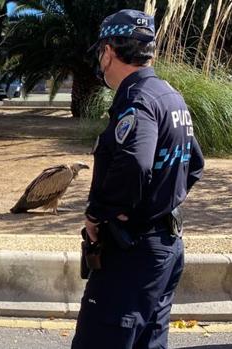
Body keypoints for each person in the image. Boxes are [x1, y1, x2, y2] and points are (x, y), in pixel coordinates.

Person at [72, 9, 205, 349]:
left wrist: (99, 213)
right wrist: (162, 200)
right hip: (166, 249)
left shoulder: (136, 99)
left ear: (108, 52)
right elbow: (194, 164)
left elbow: (134, 163)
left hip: (133, 253)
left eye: (100, 52)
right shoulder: (170, 96)